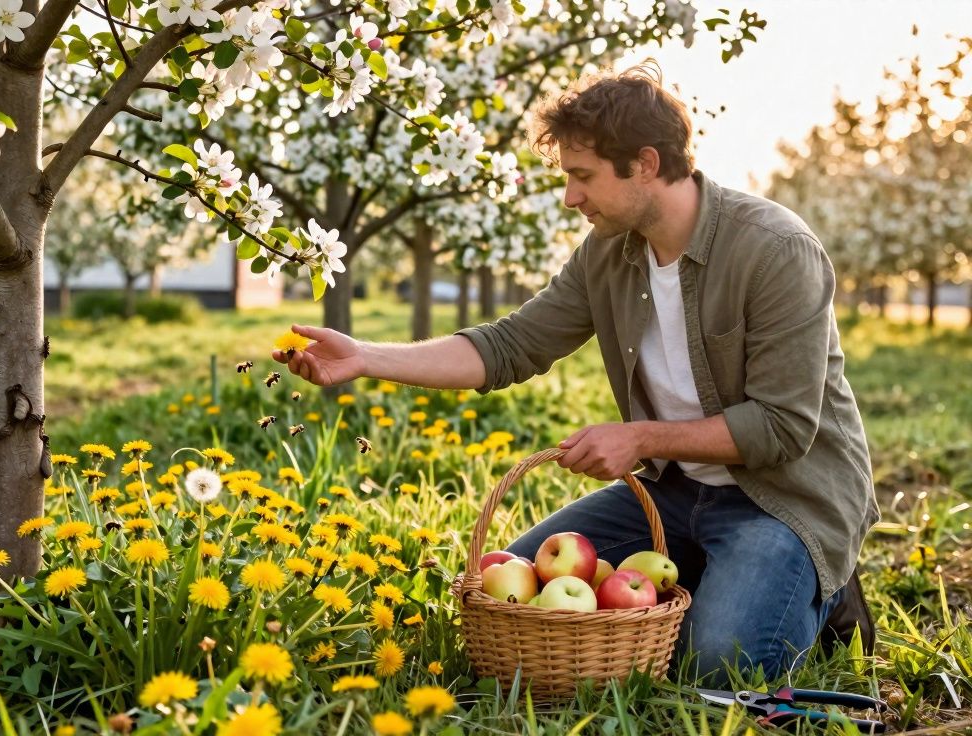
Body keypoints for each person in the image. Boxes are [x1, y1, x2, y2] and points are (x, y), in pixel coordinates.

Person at [271, 61, 879, 686]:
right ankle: (704, 575)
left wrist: (639, 439)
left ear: (645, 163)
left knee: (717, 662)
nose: (571, 197)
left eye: (582, 176)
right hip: (673, 493)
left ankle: (822, 587)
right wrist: (367, 358)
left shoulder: (775, 250)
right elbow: (511, 345)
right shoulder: (608, 253)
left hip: (780, 501)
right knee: (518, 586)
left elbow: (781, 427)